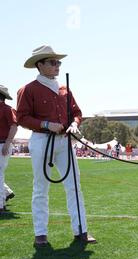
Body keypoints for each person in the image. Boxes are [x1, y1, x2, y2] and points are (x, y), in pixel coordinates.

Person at [16, 45, 96, 246]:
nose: (57, 65)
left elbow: (77, 112)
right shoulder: (28, 89)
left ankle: (81, 231)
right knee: (41, 188)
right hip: (42, 141)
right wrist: (45, 124)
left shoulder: (64, 89)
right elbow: (22, 118)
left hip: (64, 141)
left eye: (58, 62)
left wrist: (74, 124)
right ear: (40, 65)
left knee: (74, 186)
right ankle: (40, 234)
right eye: (53, 62)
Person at [0, 85, 18, 213]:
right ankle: (6, 194)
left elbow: (14, 126)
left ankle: (0, 204)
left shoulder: (7, 109)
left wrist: (7, 142)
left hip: (2, 144)